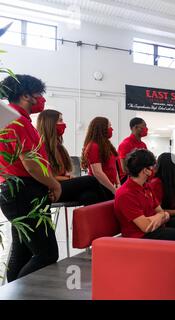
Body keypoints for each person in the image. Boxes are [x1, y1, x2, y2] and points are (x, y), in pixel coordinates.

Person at [0, 75, 60, 282]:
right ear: (26, 95)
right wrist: (54, 183)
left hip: (16, 189)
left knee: (23, 250)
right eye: (39, 94)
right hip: (24, 190)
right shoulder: (17, 121)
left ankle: (11, 294)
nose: (42, 99)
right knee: (46, 254)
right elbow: (31, 165)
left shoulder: (10, 119)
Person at [114, 149, 175, 242]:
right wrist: (160, 216)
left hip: (157, 228)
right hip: (143, 237)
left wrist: (160, 216)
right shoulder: (126, 194)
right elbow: (146, 227)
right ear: (146, 170)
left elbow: (161, 212)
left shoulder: (146, 186)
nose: (154, 169)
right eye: (152, 166)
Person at [37, 109, 106, 205]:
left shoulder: (59, 146)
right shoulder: (41, 147)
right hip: (52, 189)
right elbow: (48, 176)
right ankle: (108, 211)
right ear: (50, 123)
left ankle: (94, 219)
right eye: (60, 120)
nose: (64, 124)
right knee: (91, 180)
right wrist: (68, 178)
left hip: (62, 185)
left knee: (89, 196)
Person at [81, 117, 120, 200]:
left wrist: (118, 183)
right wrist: (114, 190)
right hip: (99, 187)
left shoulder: (107, 145)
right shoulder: (93, 146)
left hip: (109, 186)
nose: (112, 129)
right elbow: (97, 172)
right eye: (109, 126)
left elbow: (113, 167)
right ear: (102, 129)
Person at [118, 117, 148, 183]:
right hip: (128, 180)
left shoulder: (143, 145)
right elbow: (124, 168)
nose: (146, 129)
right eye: (144, 126)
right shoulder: (125, 144)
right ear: (135, 127)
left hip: (141, 179)